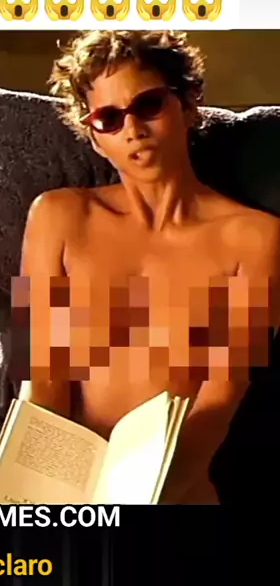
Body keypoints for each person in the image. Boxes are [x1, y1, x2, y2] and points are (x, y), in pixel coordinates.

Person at [17, 30, 280, 504]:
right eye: (109, 118)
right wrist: (50, 493)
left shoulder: (257, 238)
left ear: (189, 105)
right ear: (95, 139)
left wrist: (151, 497)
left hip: (176, 485)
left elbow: (223, 393)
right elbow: (46, 376)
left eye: (149, 105)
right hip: (70, 479)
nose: (133, 128)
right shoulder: (56, 217)